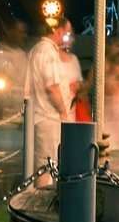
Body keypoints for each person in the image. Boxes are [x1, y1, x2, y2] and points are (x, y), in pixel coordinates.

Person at [26, 16, 80, 186]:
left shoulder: (37, 49)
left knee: (47, 162)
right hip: (49, 118)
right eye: (67, 33)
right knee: (47, 164)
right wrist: (64, 113)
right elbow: (52, 87)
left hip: (42, 116)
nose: (69, 37)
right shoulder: (48, 52)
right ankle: (42, 202)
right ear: (58, 31)